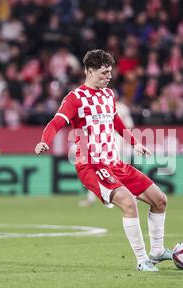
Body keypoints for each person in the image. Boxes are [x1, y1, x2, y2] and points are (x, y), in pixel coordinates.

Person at [35, 49, 171, 271]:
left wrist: (135, 142)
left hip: (114, 163)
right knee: (128, 202)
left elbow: (116, 121)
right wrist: (44, 141)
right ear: (89, 71)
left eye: (110, 72)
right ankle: (141, 260)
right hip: (91, 164)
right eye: (104, 72)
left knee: (160, 200)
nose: (109, 76)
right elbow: (55, 123)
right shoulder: (75, 98)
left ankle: (157, 251)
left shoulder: (109, 95)